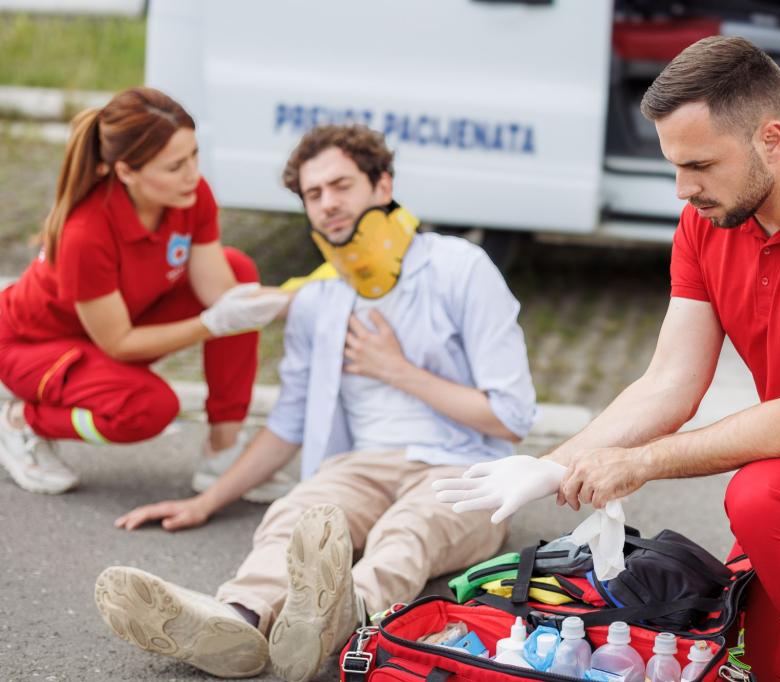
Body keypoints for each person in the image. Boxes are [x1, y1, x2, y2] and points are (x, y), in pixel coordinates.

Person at [435, 37, 780, 681]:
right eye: (674, 166)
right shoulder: (709, 219)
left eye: (700, 164)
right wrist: (552, 465)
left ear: (772, 139)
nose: (683, 189)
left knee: (765, 500)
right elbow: (669, 383)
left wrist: (639, 463)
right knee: (744, 656)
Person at [94, 124, 536, 681]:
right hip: (361, 464)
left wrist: (396, 370)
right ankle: (235, 620)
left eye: (341, 185)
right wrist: (207, 501)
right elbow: (289, 422)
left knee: (407, 532)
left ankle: (346, 614)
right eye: (313, 194)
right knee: (297, 517)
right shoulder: (318, 300)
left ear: (383, 185)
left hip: (465, 469)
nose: (328, 203)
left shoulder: (460, 268)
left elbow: (511, 416)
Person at [0, 87, 290, 498]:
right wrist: (210, 324)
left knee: (239, 272)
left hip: (117, 323)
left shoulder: (191, 195)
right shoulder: (85, 233)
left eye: (194, 156)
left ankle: (223, 452)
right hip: (34, 346)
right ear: (126, 172)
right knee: (147, 409)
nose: (192, 174)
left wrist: (309, 299)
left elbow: (222, 295)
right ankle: (22, 420)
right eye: (175, 166)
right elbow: (119, 343)